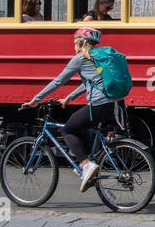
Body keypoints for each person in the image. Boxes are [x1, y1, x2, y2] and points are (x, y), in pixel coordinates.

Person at [22, 27, 118, 193]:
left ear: (81, 42)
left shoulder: (80, 58)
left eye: (75, 41)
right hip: (113, 104)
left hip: (98, 104)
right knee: (81, 126)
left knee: (68, 130)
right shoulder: (97, 57)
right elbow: (91, 81)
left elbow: (58, 81)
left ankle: (86, 165)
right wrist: (69, 98)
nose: (73, 44)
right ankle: (88, 164)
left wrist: (35, 100)